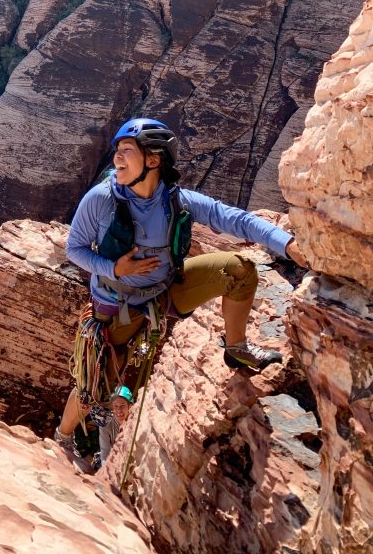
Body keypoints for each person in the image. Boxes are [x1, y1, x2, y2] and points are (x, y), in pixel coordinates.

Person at [54, 117, 307, 466]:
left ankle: (237, 349)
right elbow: (75, 249)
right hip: (117, 306)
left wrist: (287, 243)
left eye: (127, 152)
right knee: (92, 388)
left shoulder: (177, 201)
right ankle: (62, 439)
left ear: (154, 160)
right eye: (117, 153)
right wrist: (115, 268)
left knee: (238, 271)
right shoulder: (100, 200)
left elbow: (235, 219)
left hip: (164, 292)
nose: (117, 160)